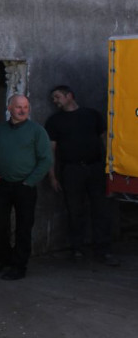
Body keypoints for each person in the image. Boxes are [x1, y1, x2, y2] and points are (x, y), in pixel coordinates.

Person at [45, 85, 119, 266]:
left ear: (69, 96)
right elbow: (50, 150)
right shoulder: (55, 121)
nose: (55, 102)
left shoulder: (92, 115)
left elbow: (106, 141)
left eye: (57, 97)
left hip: (96, 169)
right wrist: (52, 176)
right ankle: (77, 249)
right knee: (74, 210)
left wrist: (111, 169)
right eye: (53, 99)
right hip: (72, 171)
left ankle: (103, 250)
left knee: (101, 210)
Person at [0, 94, 52, 280]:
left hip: (24, 187)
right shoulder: (0, 130)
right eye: (18, 107)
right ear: (9, 108)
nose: (23, 111)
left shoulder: (36, 131)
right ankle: (3, 259)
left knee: (23, 227)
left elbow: (46, 159)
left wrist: (30, 181)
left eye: (26, 107)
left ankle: (19, 265)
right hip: (1, 185)